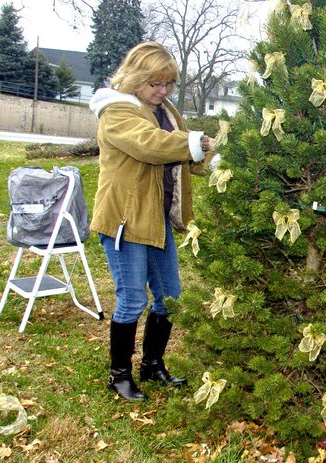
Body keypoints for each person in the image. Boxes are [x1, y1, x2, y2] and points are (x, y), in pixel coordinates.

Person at [89, 42, 212, 401]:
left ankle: (152, 364)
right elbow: (152, 145)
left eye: (169, 83)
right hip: (125, 221)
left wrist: (216, 160)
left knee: (170, 297)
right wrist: (196, 143)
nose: (163, 91)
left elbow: (180, 154)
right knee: (131, 300)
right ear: (136, 77)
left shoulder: (164, 110)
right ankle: (119, 374)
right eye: (155, 83)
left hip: (156, 220)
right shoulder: (117, 111)